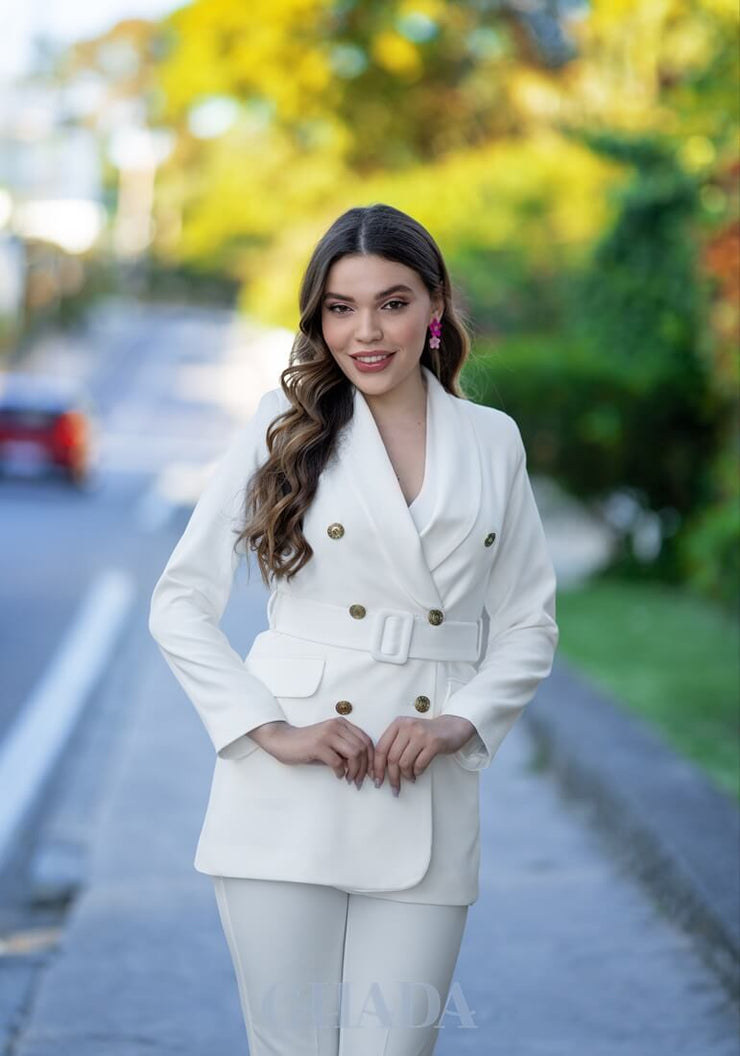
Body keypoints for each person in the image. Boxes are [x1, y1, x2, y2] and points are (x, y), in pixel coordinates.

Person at [148, 202, 559, 1055]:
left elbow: (529, 621)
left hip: (426, 790)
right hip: (287, 784)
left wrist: (460, 720)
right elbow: (179, 602)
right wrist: (269, 730)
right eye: (341, 307)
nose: (366, 331)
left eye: (393, 302)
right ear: (319, 317)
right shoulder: (281, 425)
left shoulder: (493, 441)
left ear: (434, 305)